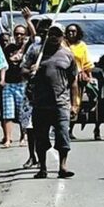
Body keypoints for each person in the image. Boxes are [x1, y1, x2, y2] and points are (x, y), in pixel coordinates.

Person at [23, 24, 80, 179]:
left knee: (63, 135)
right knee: (40, 138)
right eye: (52, 33)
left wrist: (75, 104)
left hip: (61, 102)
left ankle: (63, 166)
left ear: (63, 36)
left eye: (58, 34)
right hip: (40, 103)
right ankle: (42, 167)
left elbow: (73, 81)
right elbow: (23, 71)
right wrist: (31, 70)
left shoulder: (68, 55)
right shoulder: (36, 52)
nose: (54, 37)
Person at [2, 22, 31, 149]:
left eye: (22, 34)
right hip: (9, 84)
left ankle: (23, 136)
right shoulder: (8, 48)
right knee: (7, 113)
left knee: (22, 113)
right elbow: (3, 65)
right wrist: (2, 79)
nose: (19, 36)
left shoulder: (29, 48)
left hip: (22, 84)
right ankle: (8, 138)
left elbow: (34, 37)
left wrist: (28, 20)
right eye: (17, 34)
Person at [64, 23, 93, 139]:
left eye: (74, 31)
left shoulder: (82, 46)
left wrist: (89, 76)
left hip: (77, 79)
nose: (71, 33)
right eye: (69, 31)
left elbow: (87, 64)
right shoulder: (62, 44)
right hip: (63, 78)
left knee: (76, 103)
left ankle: (70, 129)